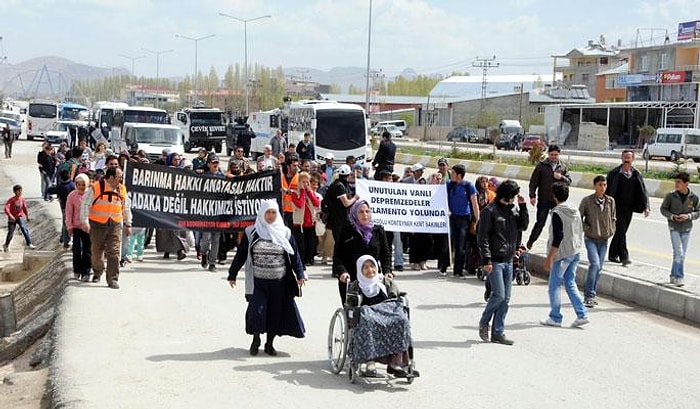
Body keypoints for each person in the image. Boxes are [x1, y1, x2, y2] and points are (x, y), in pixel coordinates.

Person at [227, 200, 306, 356]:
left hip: (279, 282)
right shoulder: (251, 232)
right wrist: (232, 274)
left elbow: (294, 255)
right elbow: (241, 254)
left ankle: (269, 343)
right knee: (256, 311)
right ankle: (256, 339)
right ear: (262, 214)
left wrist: (300, 274)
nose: (270, 216)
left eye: (273, 213)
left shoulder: (285, 233)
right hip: (258, 282)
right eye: (267, 213)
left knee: (274, 314)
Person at [347, 255, 417, 378]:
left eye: (372, 266)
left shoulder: (385, 282)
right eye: (365, 268)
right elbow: (351, 305)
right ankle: (370, 361)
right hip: (369, 317)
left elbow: (395, 298)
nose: (370, 270)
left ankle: (395, 363)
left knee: (401, 319)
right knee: (367, 320)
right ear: (360, 270)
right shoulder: (356, 286)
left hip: (385, 314)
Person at [477, 180, 528, 345]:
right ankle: (484, 321)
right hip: (495, 259)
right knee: (498, 294)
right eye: (513, 196)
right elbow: (482, 237)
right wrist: (486, 259)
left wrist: (524, 207)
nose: (514, 199)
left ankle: (498, 332)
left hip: (509, 259)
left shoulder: (512, 210)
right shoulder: (489, 211)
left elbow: (523, 226)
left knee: (506, 299)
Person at [540, 183, 589, 328]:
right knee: (570, 282)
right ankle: (582, 314)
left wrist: (549, 258)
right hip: (575, 251)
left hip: (562, 254)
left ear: (554, 195)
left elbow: (558, 237)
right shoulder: (574, 209)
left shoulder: (558, 213)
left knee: (554, 286)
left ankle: (555, 317)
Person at [80, 167, 132, 289]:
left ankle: (113, 279)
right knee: (97, 252)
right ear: (111, 177)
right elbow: (85, 204)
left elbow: (126, 208)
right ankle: (98, 271)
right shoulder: (96, 187)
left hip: (115, 225)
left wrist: (128, 223)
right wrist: (85, 221)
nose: (121, 178)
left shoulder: (122, 189)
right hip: (97, 225)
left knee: (114, 252)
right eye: (119, 176)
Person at [332, 200, 392, 303]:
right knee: (355, 313)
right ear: (355, 213)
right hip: (352, 278)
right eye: (361, 212)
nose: (365, 215)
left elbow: (385, 254)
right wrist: (342, 271)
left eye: (367, 211)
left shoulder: (378, 231)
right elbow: (338, 255)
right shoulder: (347, 232)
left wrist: (387, 271)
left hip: (372, 276)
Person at [605, 150, 650, 266]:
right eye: (625, 157)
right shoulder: (614, 173)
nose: (626, 159)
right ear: (621, 158)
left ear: (633, 159)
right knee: (620, 230)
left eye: (629, 157)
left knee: (622, 231)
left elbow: (643, 191)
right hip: (616, 207)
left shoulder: (636, 174)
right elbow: (606, 190)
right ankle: (624, 257)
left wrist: (646, 206)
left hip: (629, 208)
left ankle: (612, 254)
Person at [579, 175, 616, 307]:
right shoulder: (587, 201)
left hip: (604, 240)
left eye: (604, 185)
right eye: (600, 185)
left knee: (599, 268)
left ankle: (592, 294)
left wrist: (611, 230)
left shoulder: (610, 201)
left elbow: (613, 217)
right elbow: (579, 218)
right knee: (594, 264)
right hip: (591, 238)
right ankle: (588, 295)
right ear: (595, 186)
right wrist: (587, 229)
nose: (603, 187)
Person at [526, 145, 571, 250]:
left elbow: (569, 182)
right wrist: (532, 196)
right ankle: (530, 241)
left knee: (559, 224)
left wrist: (561, 177)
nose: (554, 157)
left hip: (558, 201)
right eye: (552, 155)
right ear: (548, 154)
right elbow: (533, 182)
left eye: (556, 155)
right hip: (544, 199)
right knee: (540, 223)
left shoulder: (562, 167)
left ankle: (558, 245)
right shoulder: (541, 166)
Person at [659, 171, 700, 287]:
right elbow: (663, 209)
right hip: (674, 227)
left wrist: (688, 216)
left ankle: (673, 275)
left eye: (679, 182)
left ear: (686, 184)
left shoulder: (694, 197)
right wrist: (672, 216)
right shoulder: (670, 196)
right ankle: (679, 276)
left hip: (686, 228)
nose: (676, 184)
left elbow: (698, 212)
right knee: (679, 252)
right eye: (676, 182)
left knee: (681, 254)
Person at [446, 164, 480, 278]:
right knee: (451, 242)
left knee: (461, 246)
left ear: (459, 175)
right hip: (452, 217)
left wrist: (478, 220)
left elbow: (475, 204)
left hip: (464, 219)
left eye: (453, 173)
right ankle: (444, 266)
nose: (451, 175)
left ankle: (458, 271)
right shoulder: (449, 185)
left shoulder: (468, 186)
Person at [200, 154, 225, 272]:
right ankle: (204, 253)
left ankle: (212, 263)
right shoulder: (204, 176)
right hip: (207, 213)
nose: (216, 165)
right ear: (209, 164)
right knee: (206, 238)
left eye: (217, 163)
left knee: (216, 239)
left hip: (219, 213)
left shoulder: (223, 176)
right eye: (213, 163)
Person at [65, 174, 92, 281]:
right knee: (77, 249)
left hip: (88, 227)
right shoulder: (72, 196)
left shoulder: (91, 195)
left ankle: (86, 272)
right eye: (78, 184)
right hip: (76, 227)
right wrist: (69, 226)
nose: (81, 186)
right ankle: (77, 270)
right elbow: (69, 212)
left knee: (87, 250)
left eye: (83, 184)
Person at [291, 172, 321, 266]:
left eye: (307, 182)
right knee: (301, 245)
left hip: (310, 222)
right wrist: (303, 192)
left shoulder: (312, 193)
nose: (305, 184)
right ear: (299, 182)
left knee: (311, 244)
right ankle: (301, 262)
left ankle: (309, 259)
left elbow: (316, 203)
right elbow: (299, 204)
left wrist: (309, 192)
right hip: (299, 223)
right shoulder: (294, 193)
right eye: (303, 182)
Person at [325, 164, 359, 243]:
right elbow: (346, 203)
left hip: (340, 220)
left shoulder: (341, 184)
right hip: (338, 221)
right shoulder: (339, 186)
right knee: (340, 243)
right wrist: (355, 198)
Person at [4, 185, 37, 252]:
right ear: (14, 192)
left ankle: (29, 243)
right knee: (11, 233)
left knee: (24, 228)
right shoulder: (11, 200)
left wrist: (27, 216)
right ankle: (6, 245)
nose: (20, 192)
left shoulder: (22, 199)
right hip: (12, 218)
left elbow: (24, 208)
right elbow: (6, 209)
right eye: (18, 191)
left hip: (19, 216)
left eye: (21, 190)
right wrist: (10, 216)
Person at [281, 154, 300, 228]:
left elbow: (301, 193)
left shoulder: (300, 178)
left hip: (295, 212)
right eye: (294, 166)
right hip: (283, 212)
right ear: (288, 166)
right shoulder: (281, 177)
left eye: (297, 166)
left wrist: (288, 191)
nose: (296, 168)